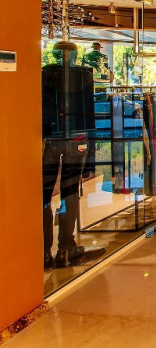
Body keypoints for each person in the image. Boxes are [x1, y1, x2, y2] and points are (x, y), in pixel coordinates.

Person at [42, 41, 105, 269]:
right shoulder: (82, 75)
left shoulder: (45, 74)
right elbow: (88, 114)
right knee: (69, 192)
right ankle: (66, 248)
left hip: (49, 138)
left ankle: (44, 251)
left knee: (44, 195)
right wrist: (91, 160)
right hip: (76, 138)